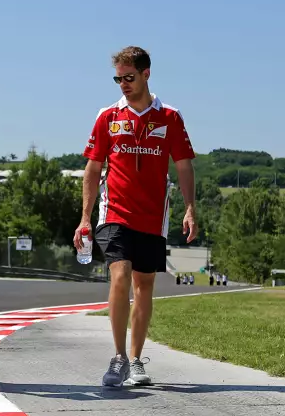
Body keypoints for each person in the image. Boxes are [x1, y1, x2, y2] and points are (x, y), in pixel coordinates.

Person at [75, 46, 198, 388]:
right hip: (115, 211)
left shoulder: (170, 117)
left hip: (153, 215)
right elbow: (93, 168)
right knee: (120, 275)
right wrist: (85, 217)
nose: (123, 85)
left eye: (129, 77)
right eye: (118, 79)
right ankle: (117, 358)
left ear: (146, 74)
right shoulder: (108, 117)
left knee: (144, 286)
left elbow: (184, 165)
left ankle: (136, 360)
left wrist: (190, 208)